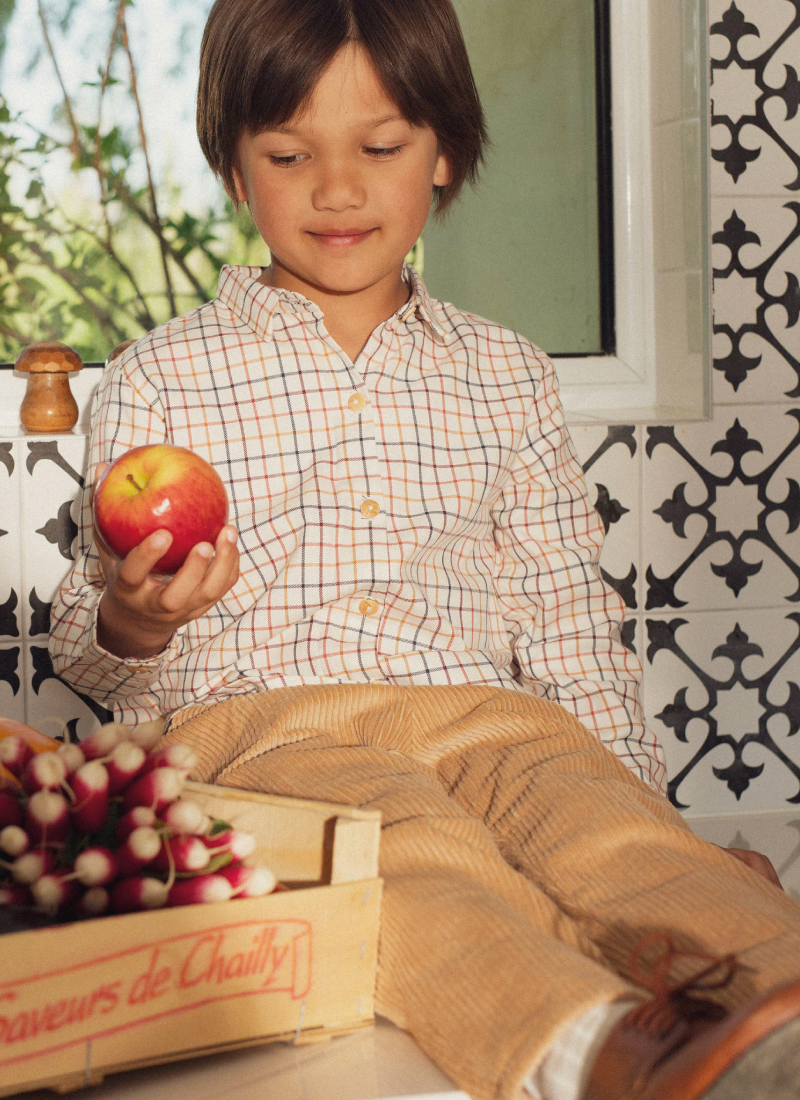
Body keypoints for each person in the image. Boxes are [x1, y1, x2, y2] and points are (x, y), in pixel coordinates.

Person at [49, 1, 800, 1097]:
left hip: (492, 716)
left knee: (616, 846)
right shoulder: (162, 374)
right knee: (415, 864)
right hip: (270, 733)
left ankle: (767, 998)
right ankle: (597, 1049)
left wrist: (648, 806)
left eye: (380, 145)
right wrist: (140, 614)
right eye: (289, 153)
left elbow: (564, 613)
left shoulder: (504, 371)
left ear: (441, 148)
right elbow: (89, 644)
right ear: (232, 166)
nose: (337, 188)